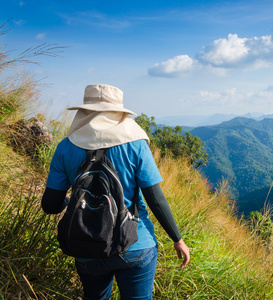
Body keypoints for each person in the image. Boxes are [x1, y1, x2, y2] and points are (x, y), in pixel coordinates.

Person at [41, 84, 190, 299]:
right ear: (119, 114)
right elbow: (155, 198)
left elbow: (50, 205)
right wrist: (177, 239)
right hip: (136, 244)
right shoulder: (136, 145)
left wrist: (69, 201)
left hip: (87, 246)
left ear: (84, 112)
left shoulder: (65, 147)